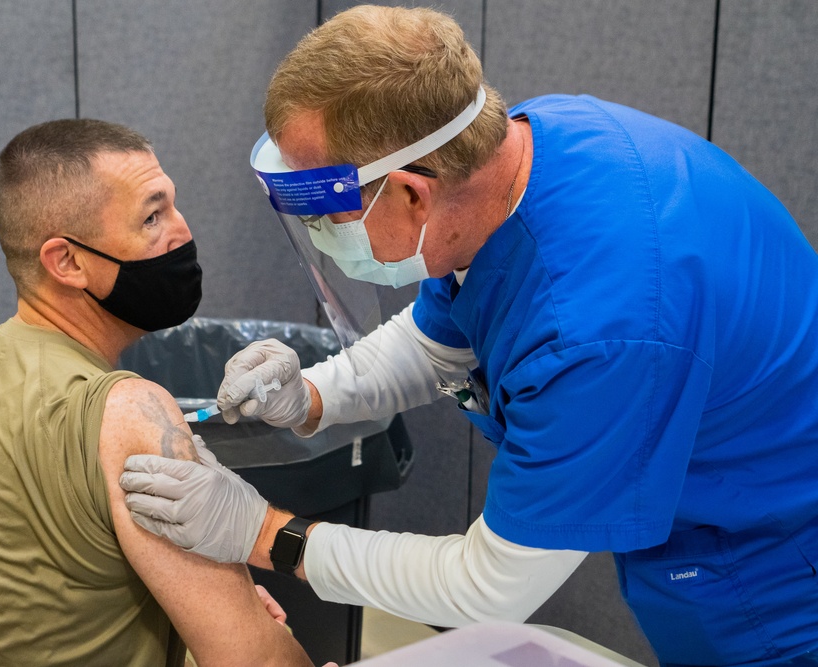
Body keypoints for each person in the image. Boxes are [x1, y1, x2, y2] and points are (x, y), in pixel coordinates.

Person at [118, 5, 818, 667]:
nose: (326, 237)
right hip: (701, 536)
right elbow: (443, 342)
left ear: (413, 193)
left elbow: (492, 587)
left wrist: (265, 533)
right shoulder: (517, 157)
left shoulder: (599, 330)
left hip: (773, 575)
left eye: (328, 214)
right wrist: (307, 394)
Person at [0, 118, 313, 667]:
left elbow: (39, 590)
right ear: (68, 262)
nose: (181, 231)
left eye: (173, 205)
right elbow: (254, 660)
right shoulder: (130, 410)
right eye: (152, 217)